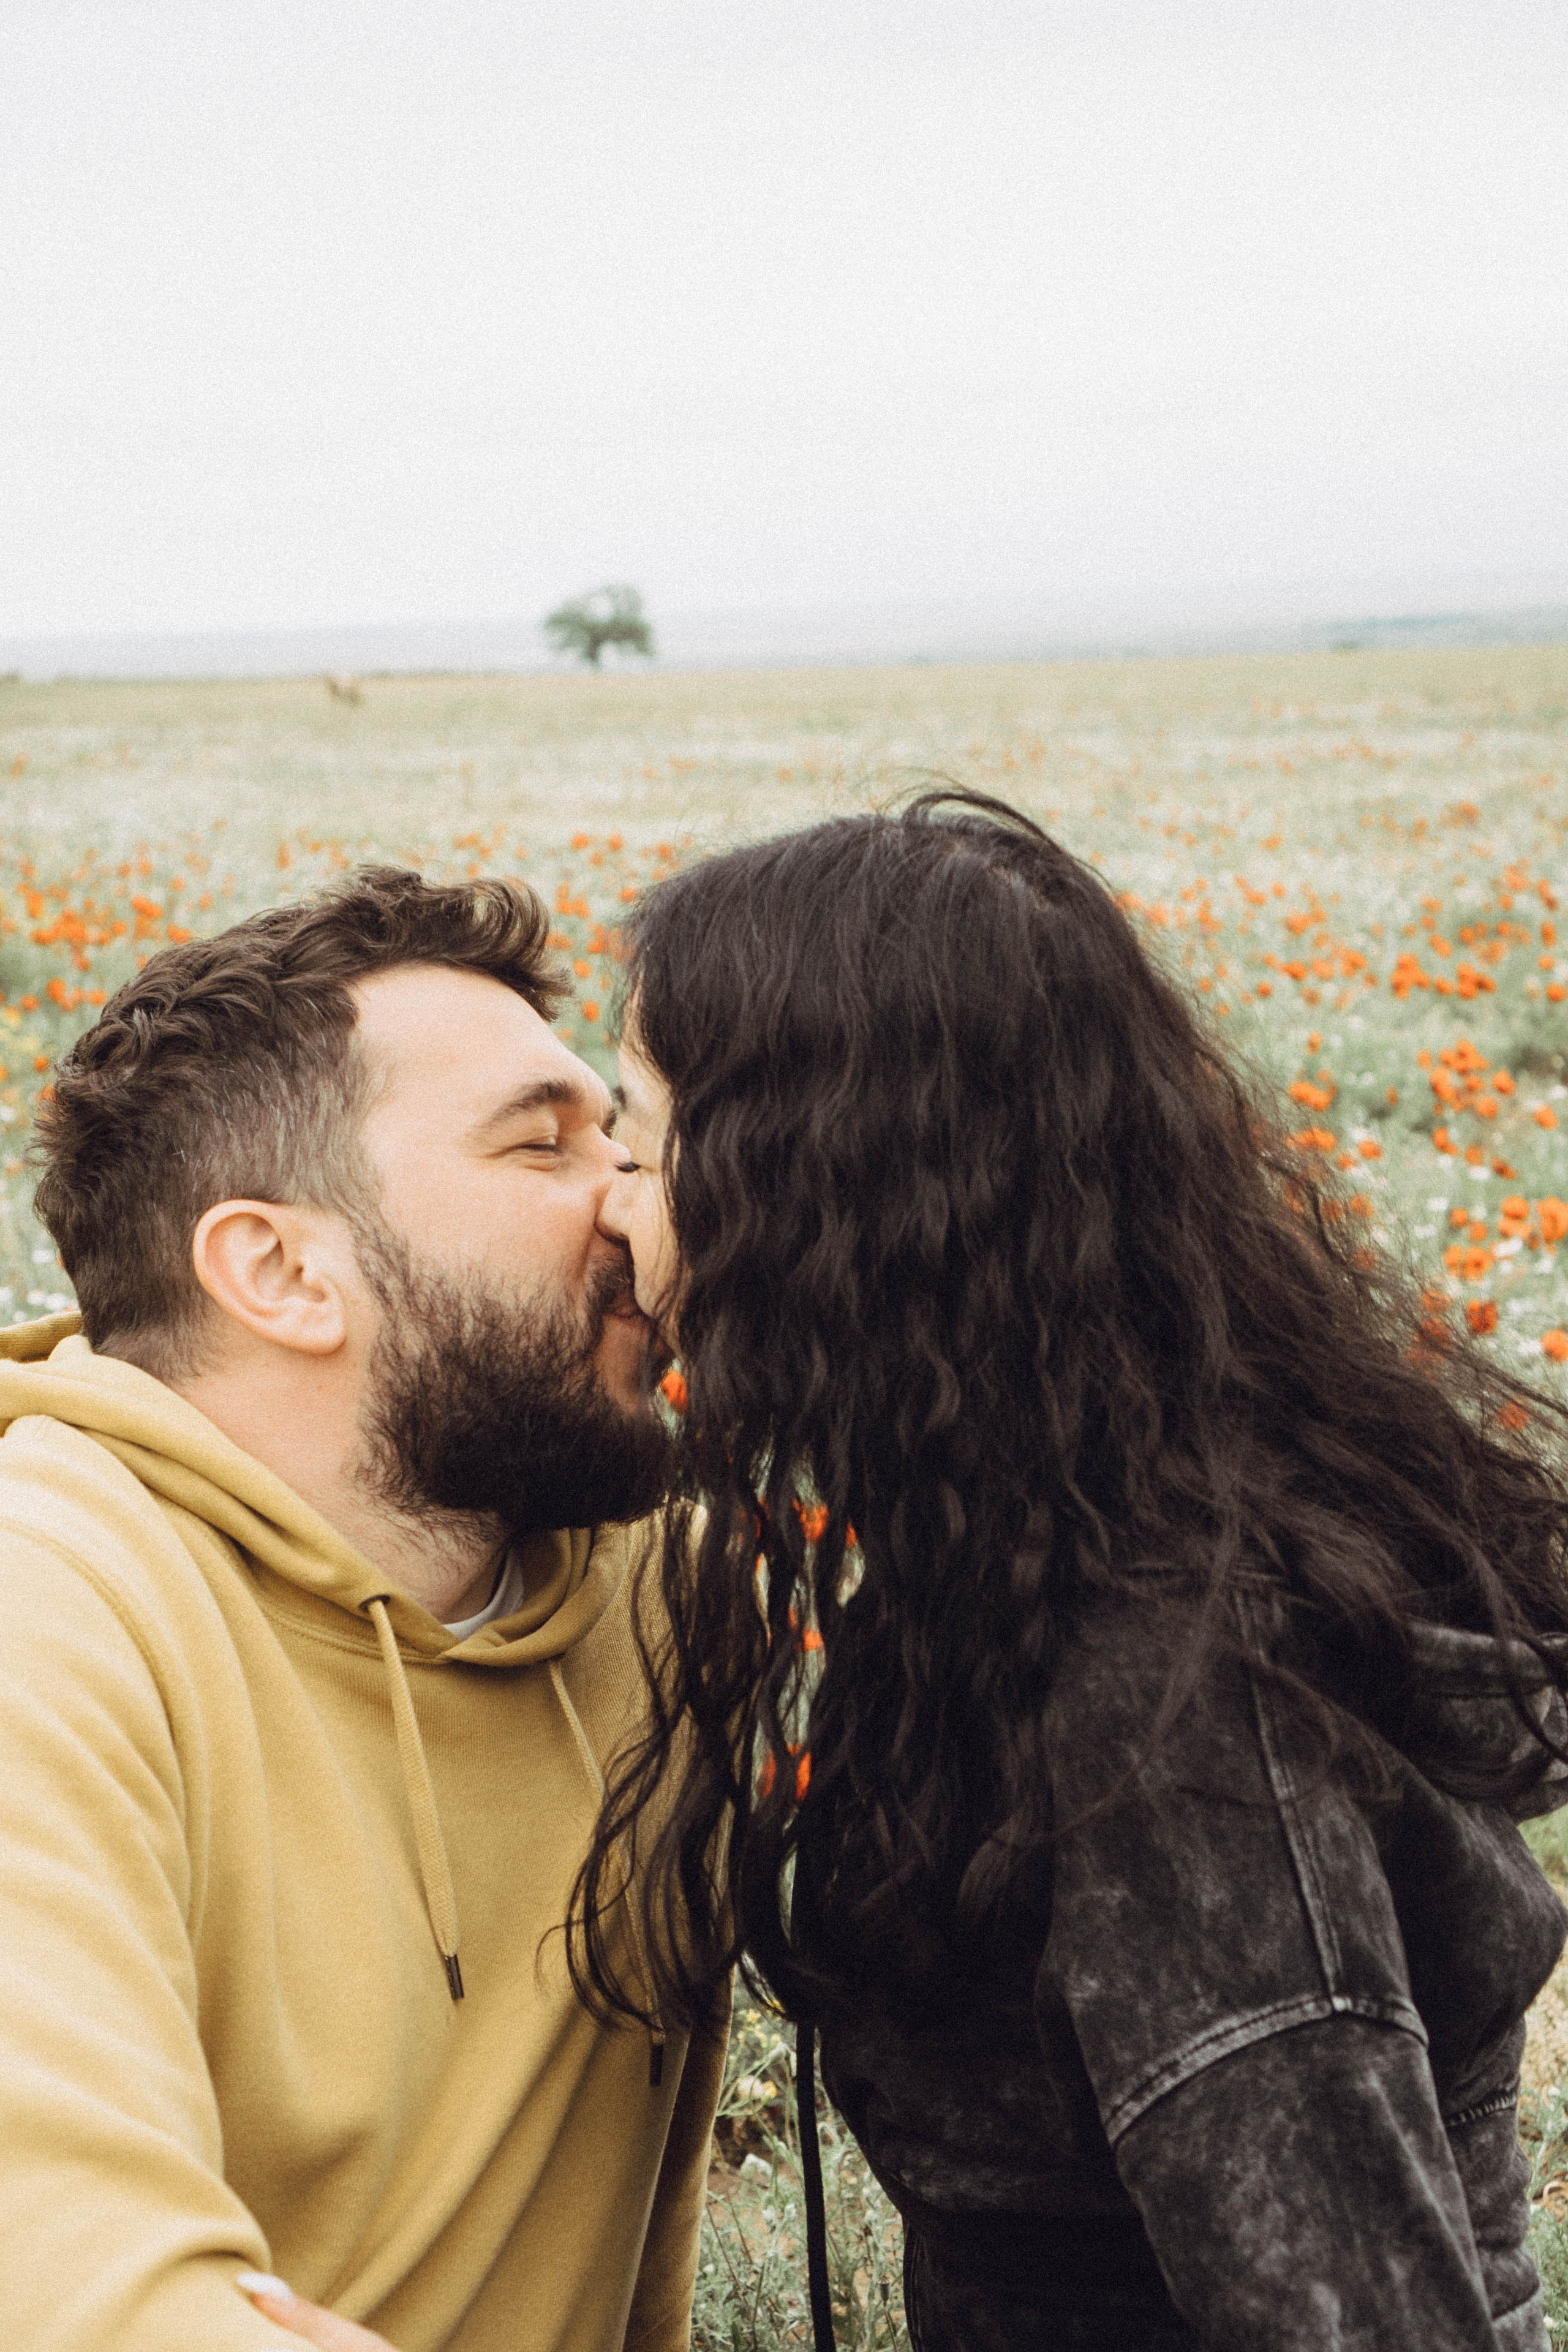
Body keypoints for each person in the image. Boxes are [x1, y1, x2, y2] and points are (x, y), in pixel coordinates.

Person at [581, 790, 1568, 2351]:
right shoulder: (1017, 1541)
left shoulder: (1169, 1708)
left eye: (635, 1135)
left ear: (816, 1189)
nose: (608, 1197)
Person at [0, 868, 723, 2352]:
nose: (643, 1202)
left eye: (627, 1138)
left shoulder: (657, 1580)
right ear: (280, 1271)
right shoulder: (51, 1606)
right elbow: (80, 2296)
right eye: (545, 1147)